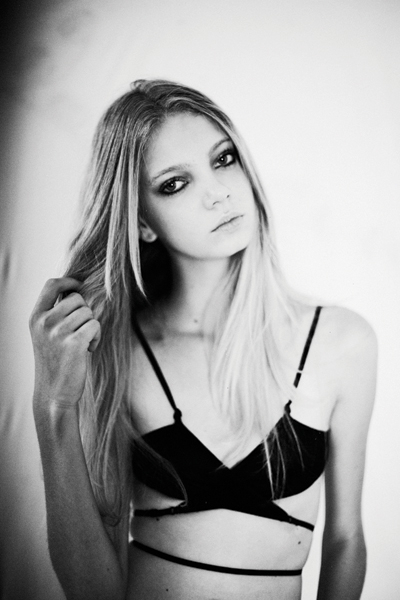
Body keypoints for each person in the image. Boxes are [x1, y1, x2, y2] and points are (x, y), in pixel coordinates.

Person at [29, 79, 377, 600]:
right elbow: (93, 589)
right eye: (175, 183)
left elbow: (346, 539)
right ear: (142, 223)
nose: (218, 192)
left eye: (223, 159)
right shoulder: (117, 350)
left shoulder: (341, 343)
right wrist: (53, 406)